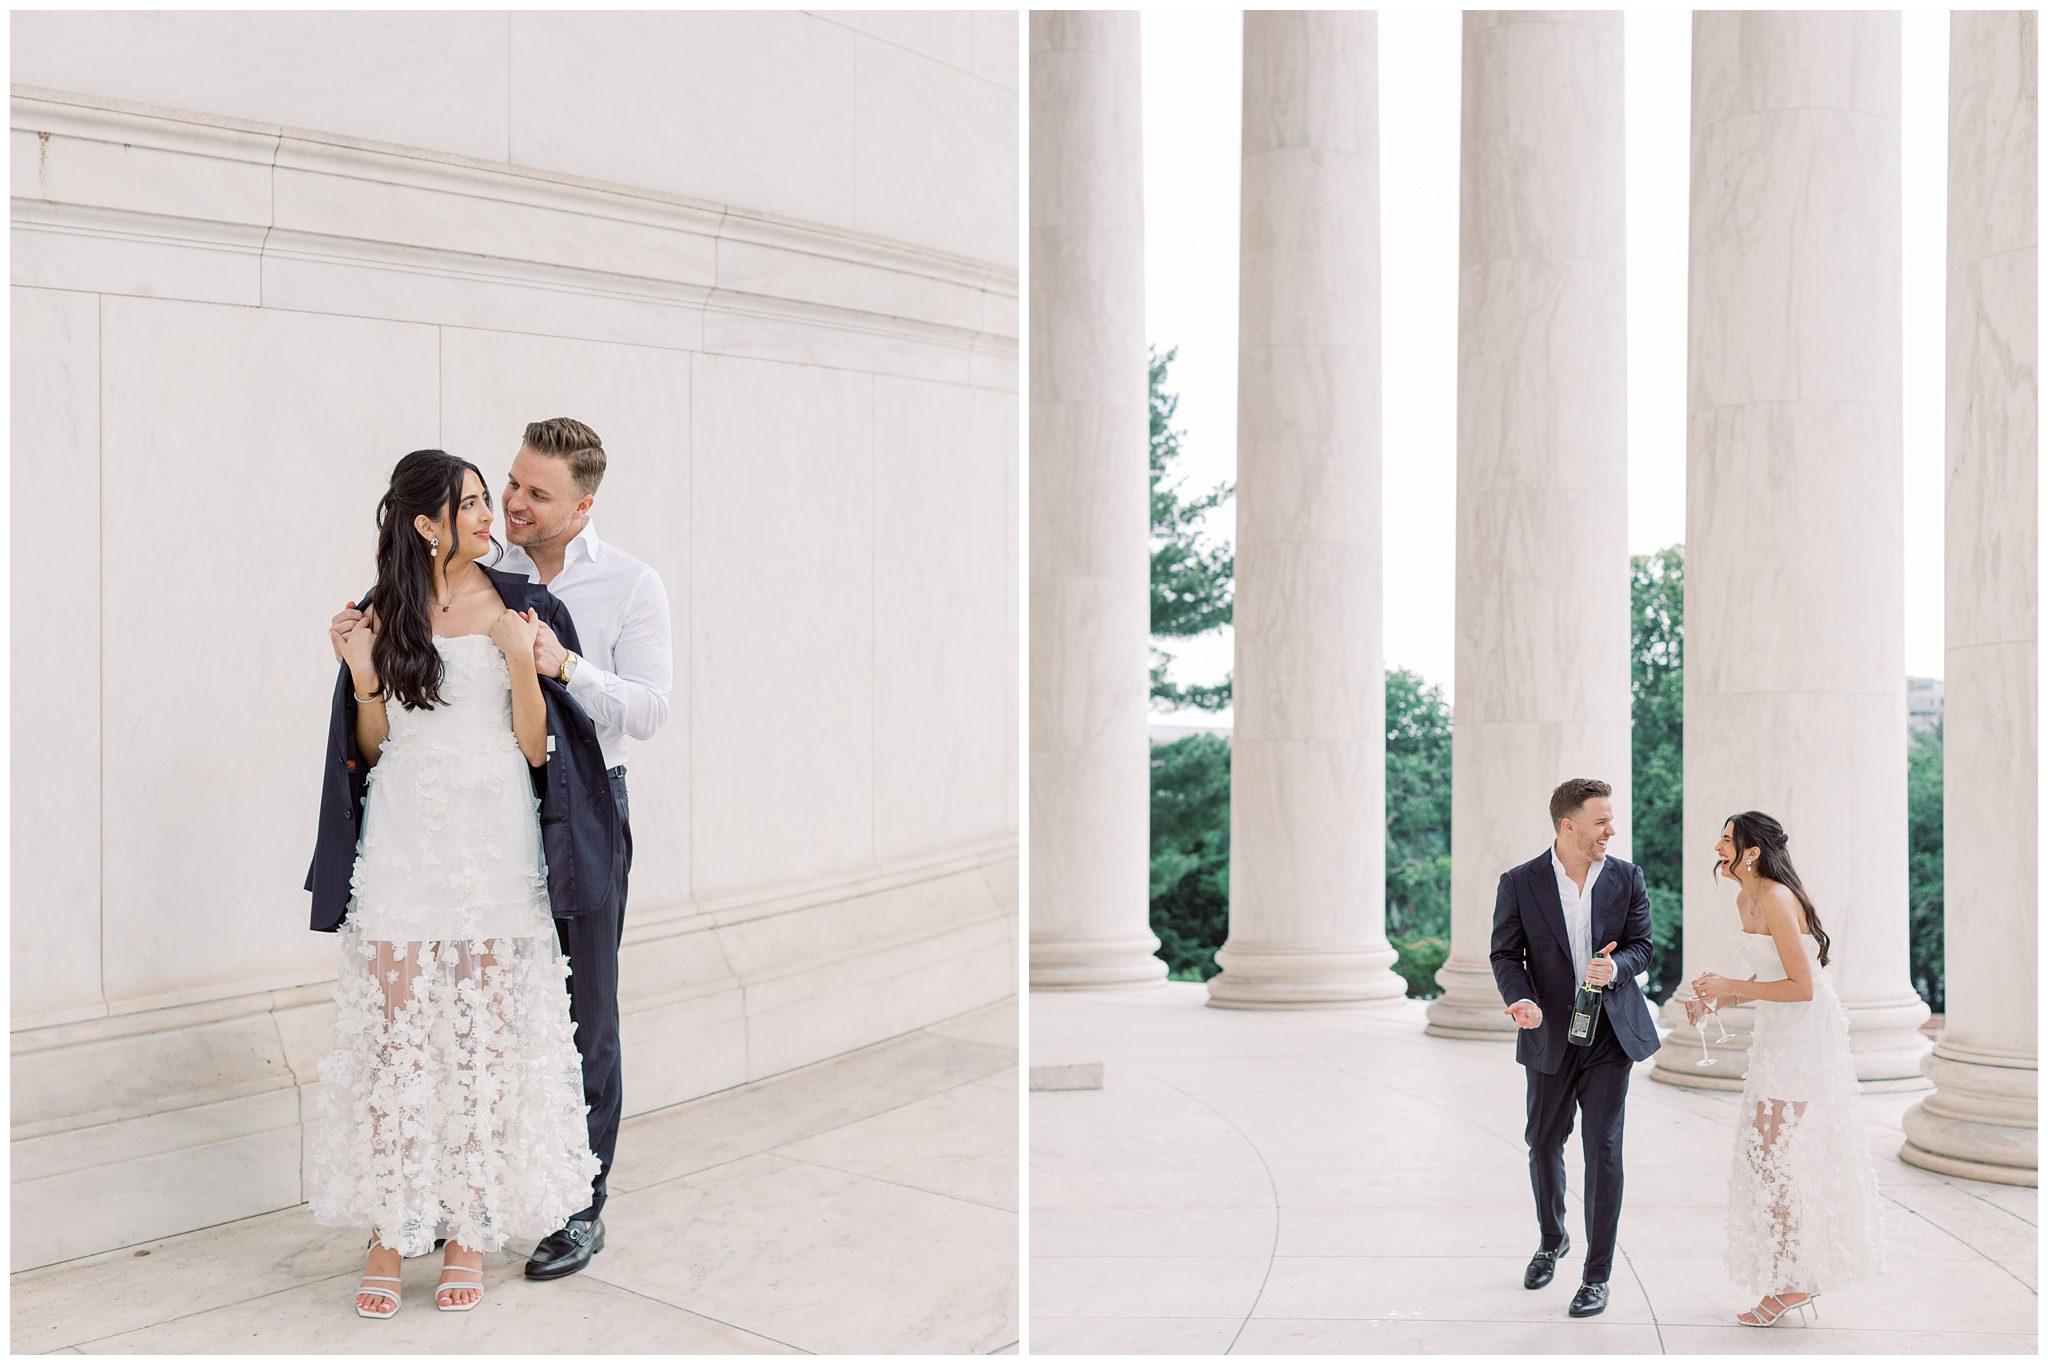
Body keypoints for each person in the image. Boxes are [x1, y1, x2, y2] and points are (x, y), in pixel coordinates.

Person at [305, 450, 607, 1318]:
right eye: (469, 505)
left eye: (487, 500)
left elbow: (540, 747)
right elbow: (367, 745)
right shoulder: (377, 613)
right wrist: (363, 675)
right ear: (425, 523)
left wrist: (520, 660)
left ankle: (469, 1226)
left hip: (495, 845)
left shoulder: (527, 606)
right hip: (404, 839)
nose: (489, 515)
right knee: (399, 1039)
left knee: (480, 1044)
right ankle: (391, 1230)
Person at [492, 417, 674, 1279]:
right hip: (488, 809)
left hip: (591, 807)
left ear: (583, 504)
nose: (515, 503)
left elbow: (648, 709)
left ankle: (580, 1206)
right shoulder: (484, 571)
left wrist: (566, 665)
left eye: (537, 494)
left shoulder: (633, 584)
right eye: (513, 483)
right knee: (493, 1002)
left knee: (586, 1015)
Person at [1688, 811, 1884, 1326]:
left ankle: (1795, 1280)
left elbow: (1801, 985)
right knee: (1764, 1155)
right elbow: (1770, 973)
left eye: (1727, 840)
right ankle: (1793, 1273)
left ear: (1751, 852)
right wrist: (1719, 1002)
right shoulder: (1744, 897)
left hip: (1804, 1033)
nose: (1717, 846)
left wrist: (1730, 985)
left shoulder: (1775, 896)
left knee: (1770, 1154)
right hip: (1777, 1032)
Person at [1490, 777, 1659, 1319]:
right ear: (1569, 825)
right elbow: (1504, 954)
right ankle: (1551, 1238)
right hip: (1547, 1032)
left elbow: (1643, 946)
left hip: (1610, 1034)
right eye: (1602, 821)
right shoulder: (1519, 882)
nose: (1612, 829)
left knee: (1604, 1150)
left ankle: (1596, 1276)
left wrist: (1616, 968)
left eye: (1610, 820)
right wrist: (1521, 999)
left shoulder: (1627, 877)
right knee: (1542, 1142)